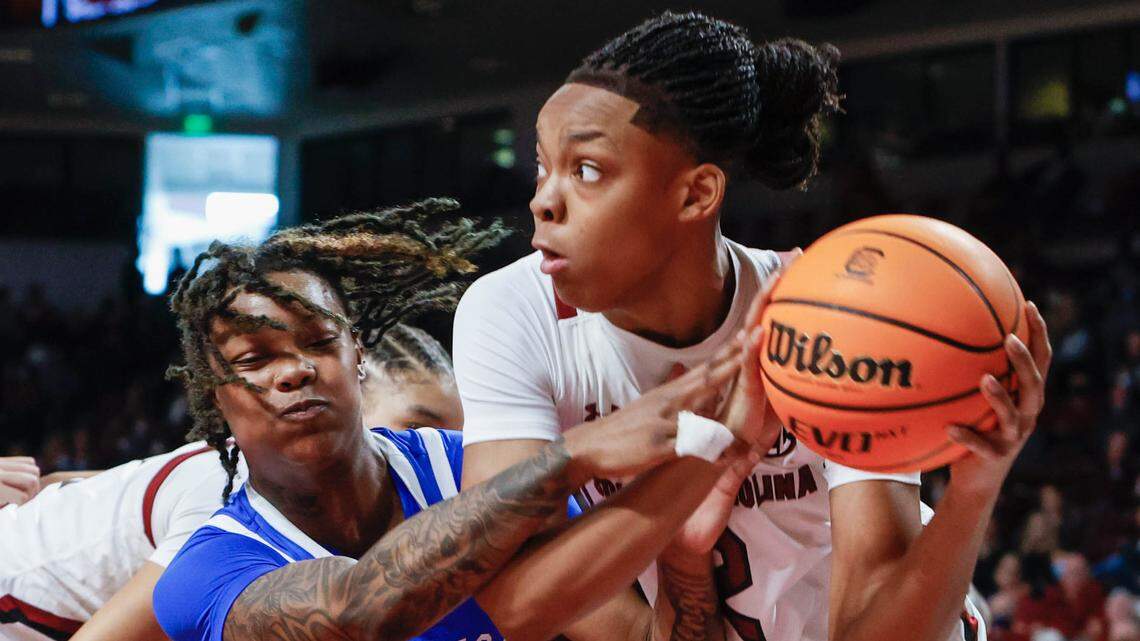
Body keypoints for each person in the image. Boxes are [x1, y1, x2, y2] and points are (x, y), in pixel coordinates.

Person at [455, 11, 1053, 641]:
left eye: (587, 171)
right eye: (543, 168)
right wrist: (708, 469)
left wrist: (972, 491)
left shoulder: (831, 314)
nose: (543, 201)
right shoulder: (512, 312)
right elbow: (514, 608)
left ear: (696, 194)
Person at [151, 199, 777, 641]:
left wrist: (685, 563)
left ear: (358, 358)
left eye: (318, 343)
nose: (295, 372)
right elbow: (359, 614)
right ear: (214, 399)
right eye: (255, 360)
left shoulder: (466, 465)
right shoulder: (206, 574)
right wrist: (572, 455)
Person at [0, 319, 477, 641]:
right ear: (352, 389)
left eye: (448, 436)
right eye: (418, 426)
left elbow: (112, 489)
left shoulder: (272, 474)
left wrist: (50, 489)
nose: (433, 448)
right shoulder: (229, 497)